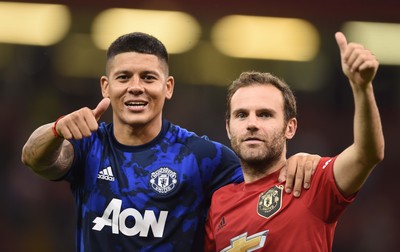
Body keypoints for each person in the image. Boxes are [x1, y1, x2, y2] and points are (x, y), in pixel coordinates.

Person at [21, 32, 319, 251]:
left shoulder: (203, 156)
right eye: (124, 77)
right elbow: (34, 158)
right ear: (106, 86)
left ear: (168, 87)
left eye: (148, 78)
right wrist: (57, 129)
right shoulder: (88, 145)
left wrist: (300, 161)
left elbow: (262, 177)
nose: (136, 88)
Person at [204, 31, 385, 251]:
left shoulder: (310, 181)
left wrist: (362, 88)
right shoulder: (218, 203)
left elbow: (367, 154)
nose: (251, 123)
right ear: (228, 128)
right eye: (241, 115)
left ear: (290, 128)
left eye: (264, 114)